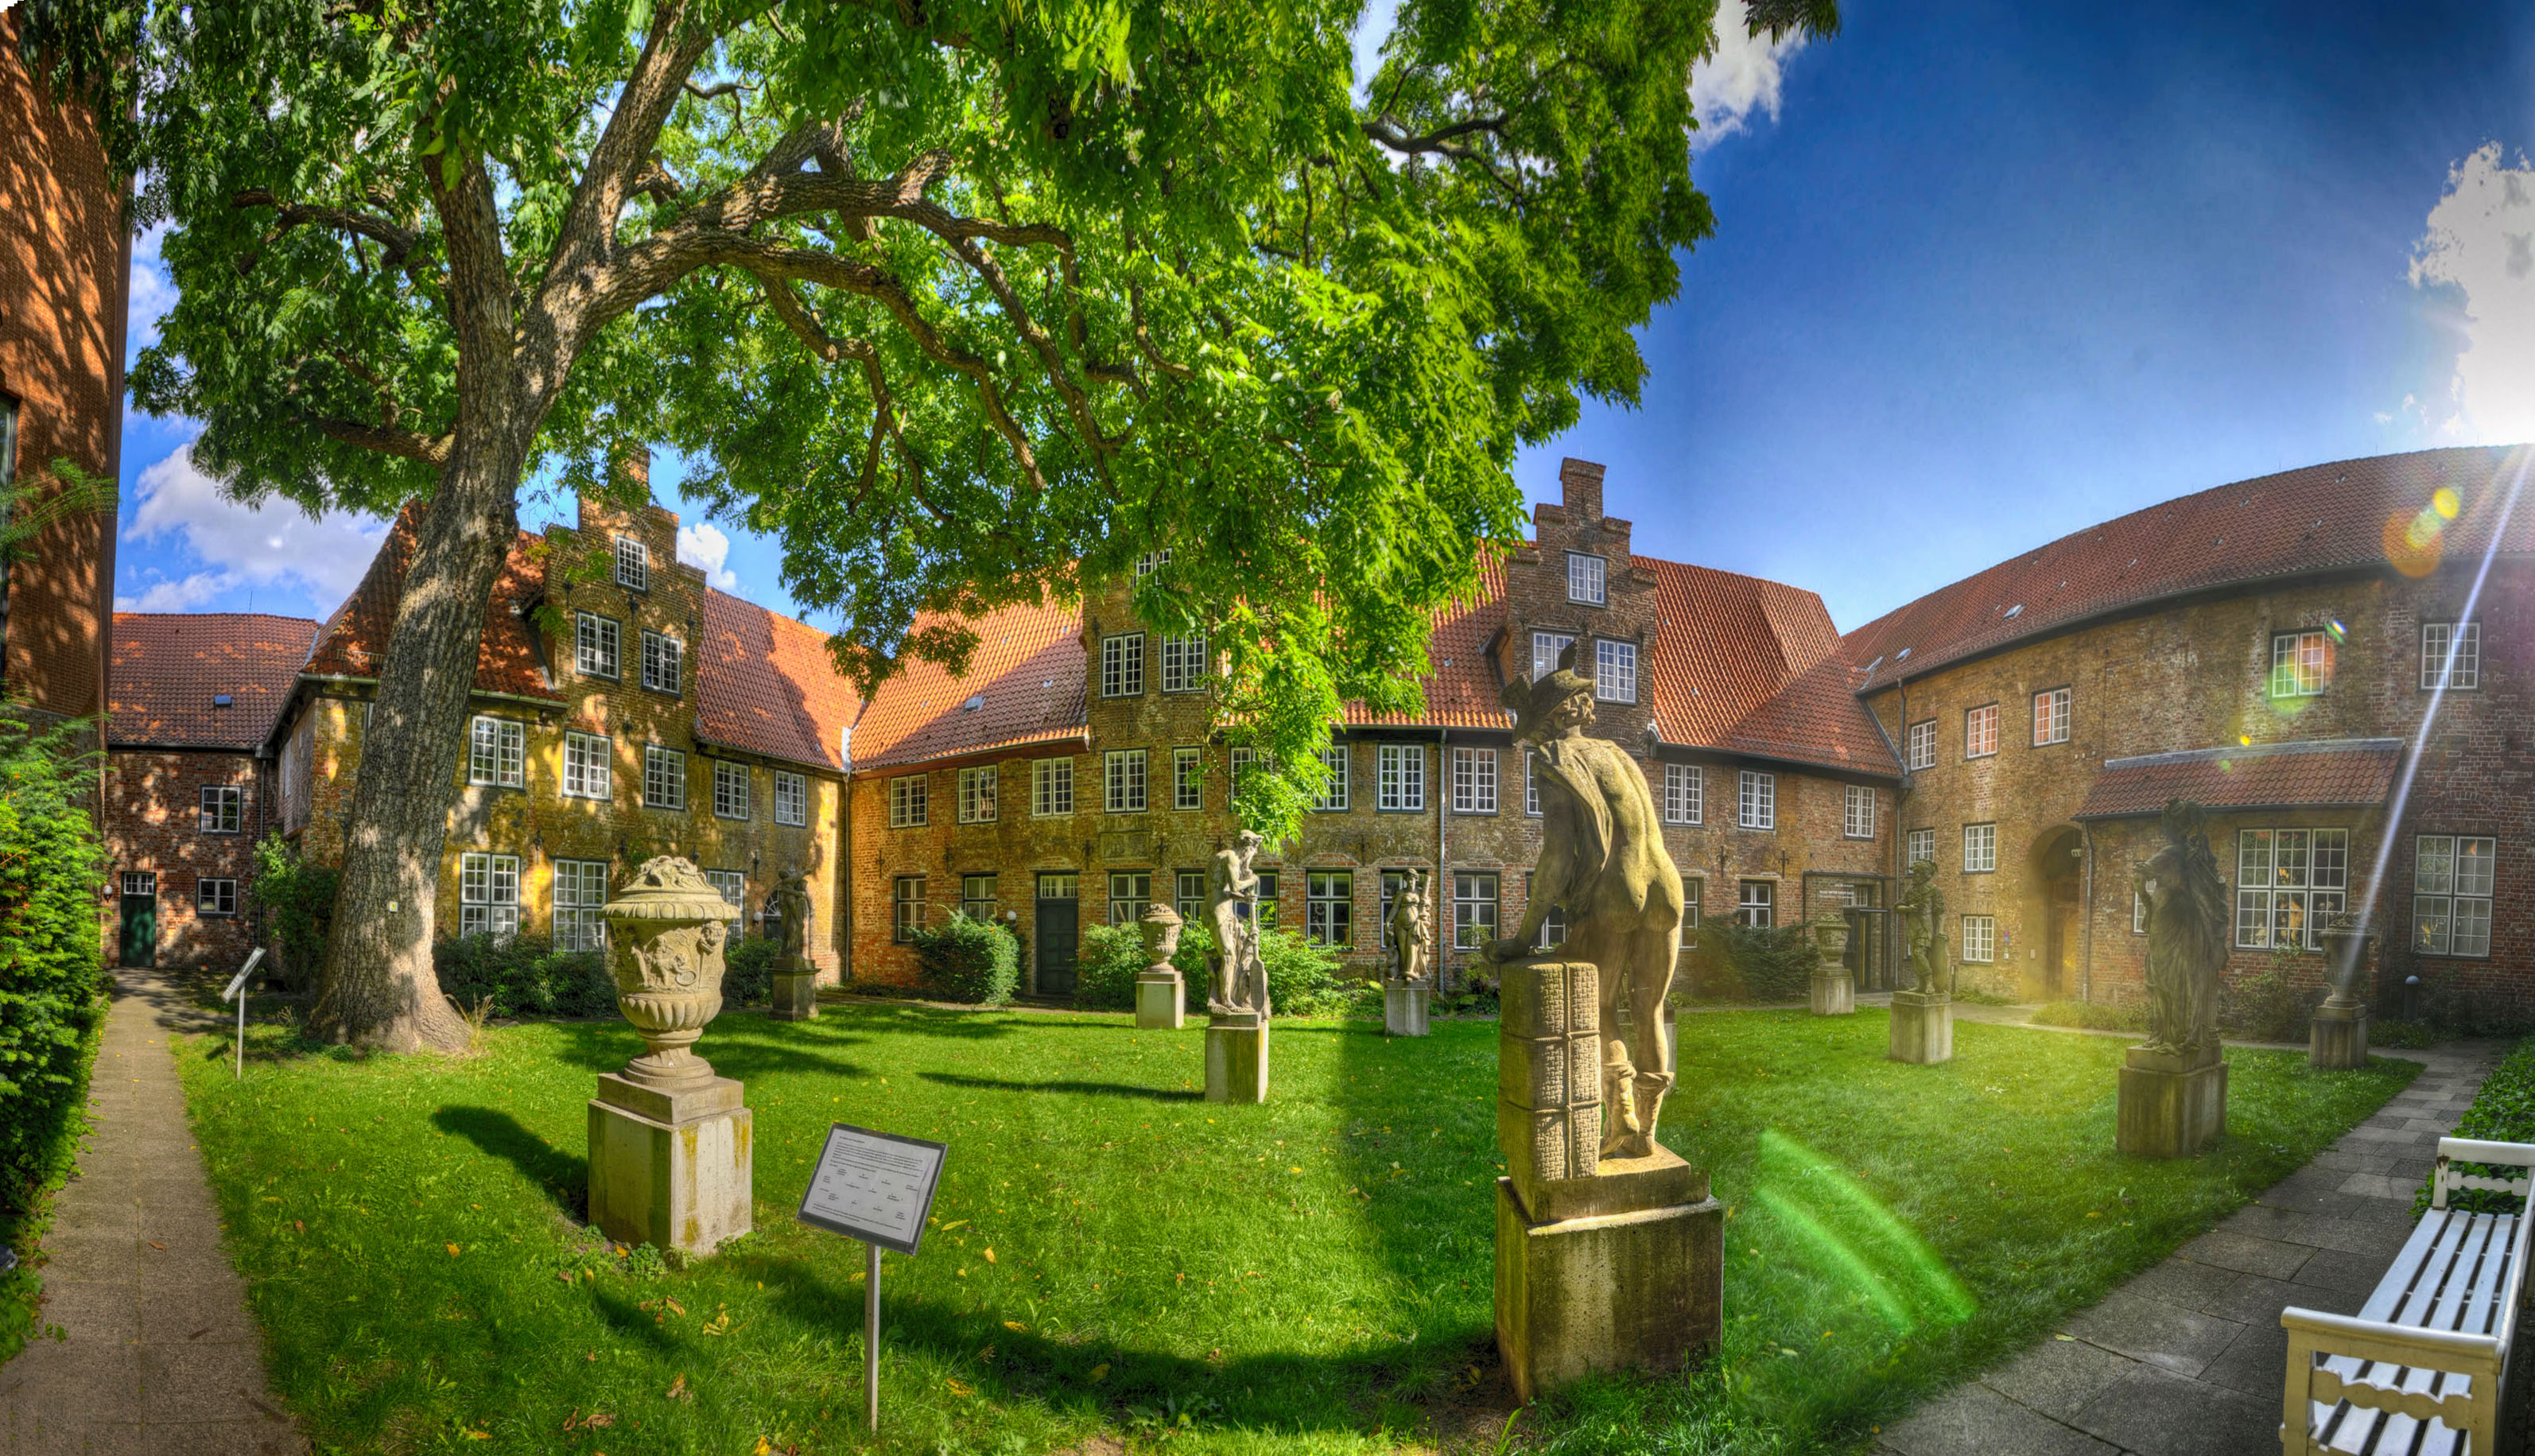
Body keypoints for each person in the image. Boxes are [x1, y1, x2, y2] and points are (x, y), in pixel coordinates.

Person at [1484, 644, 1684, 1159]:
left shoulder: (1555, 761)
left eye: (1531, 732)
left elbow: (1555, 858)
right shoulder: (1616, 753)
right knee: (1650, 1008)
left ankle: (1622, 1117)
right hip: (1666, 884)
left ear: (1549, 721)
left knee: (1598, 1006)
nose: (1530, 742)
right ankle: (1646, 1133)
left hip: (1617, 891)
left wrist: (1522, 939)